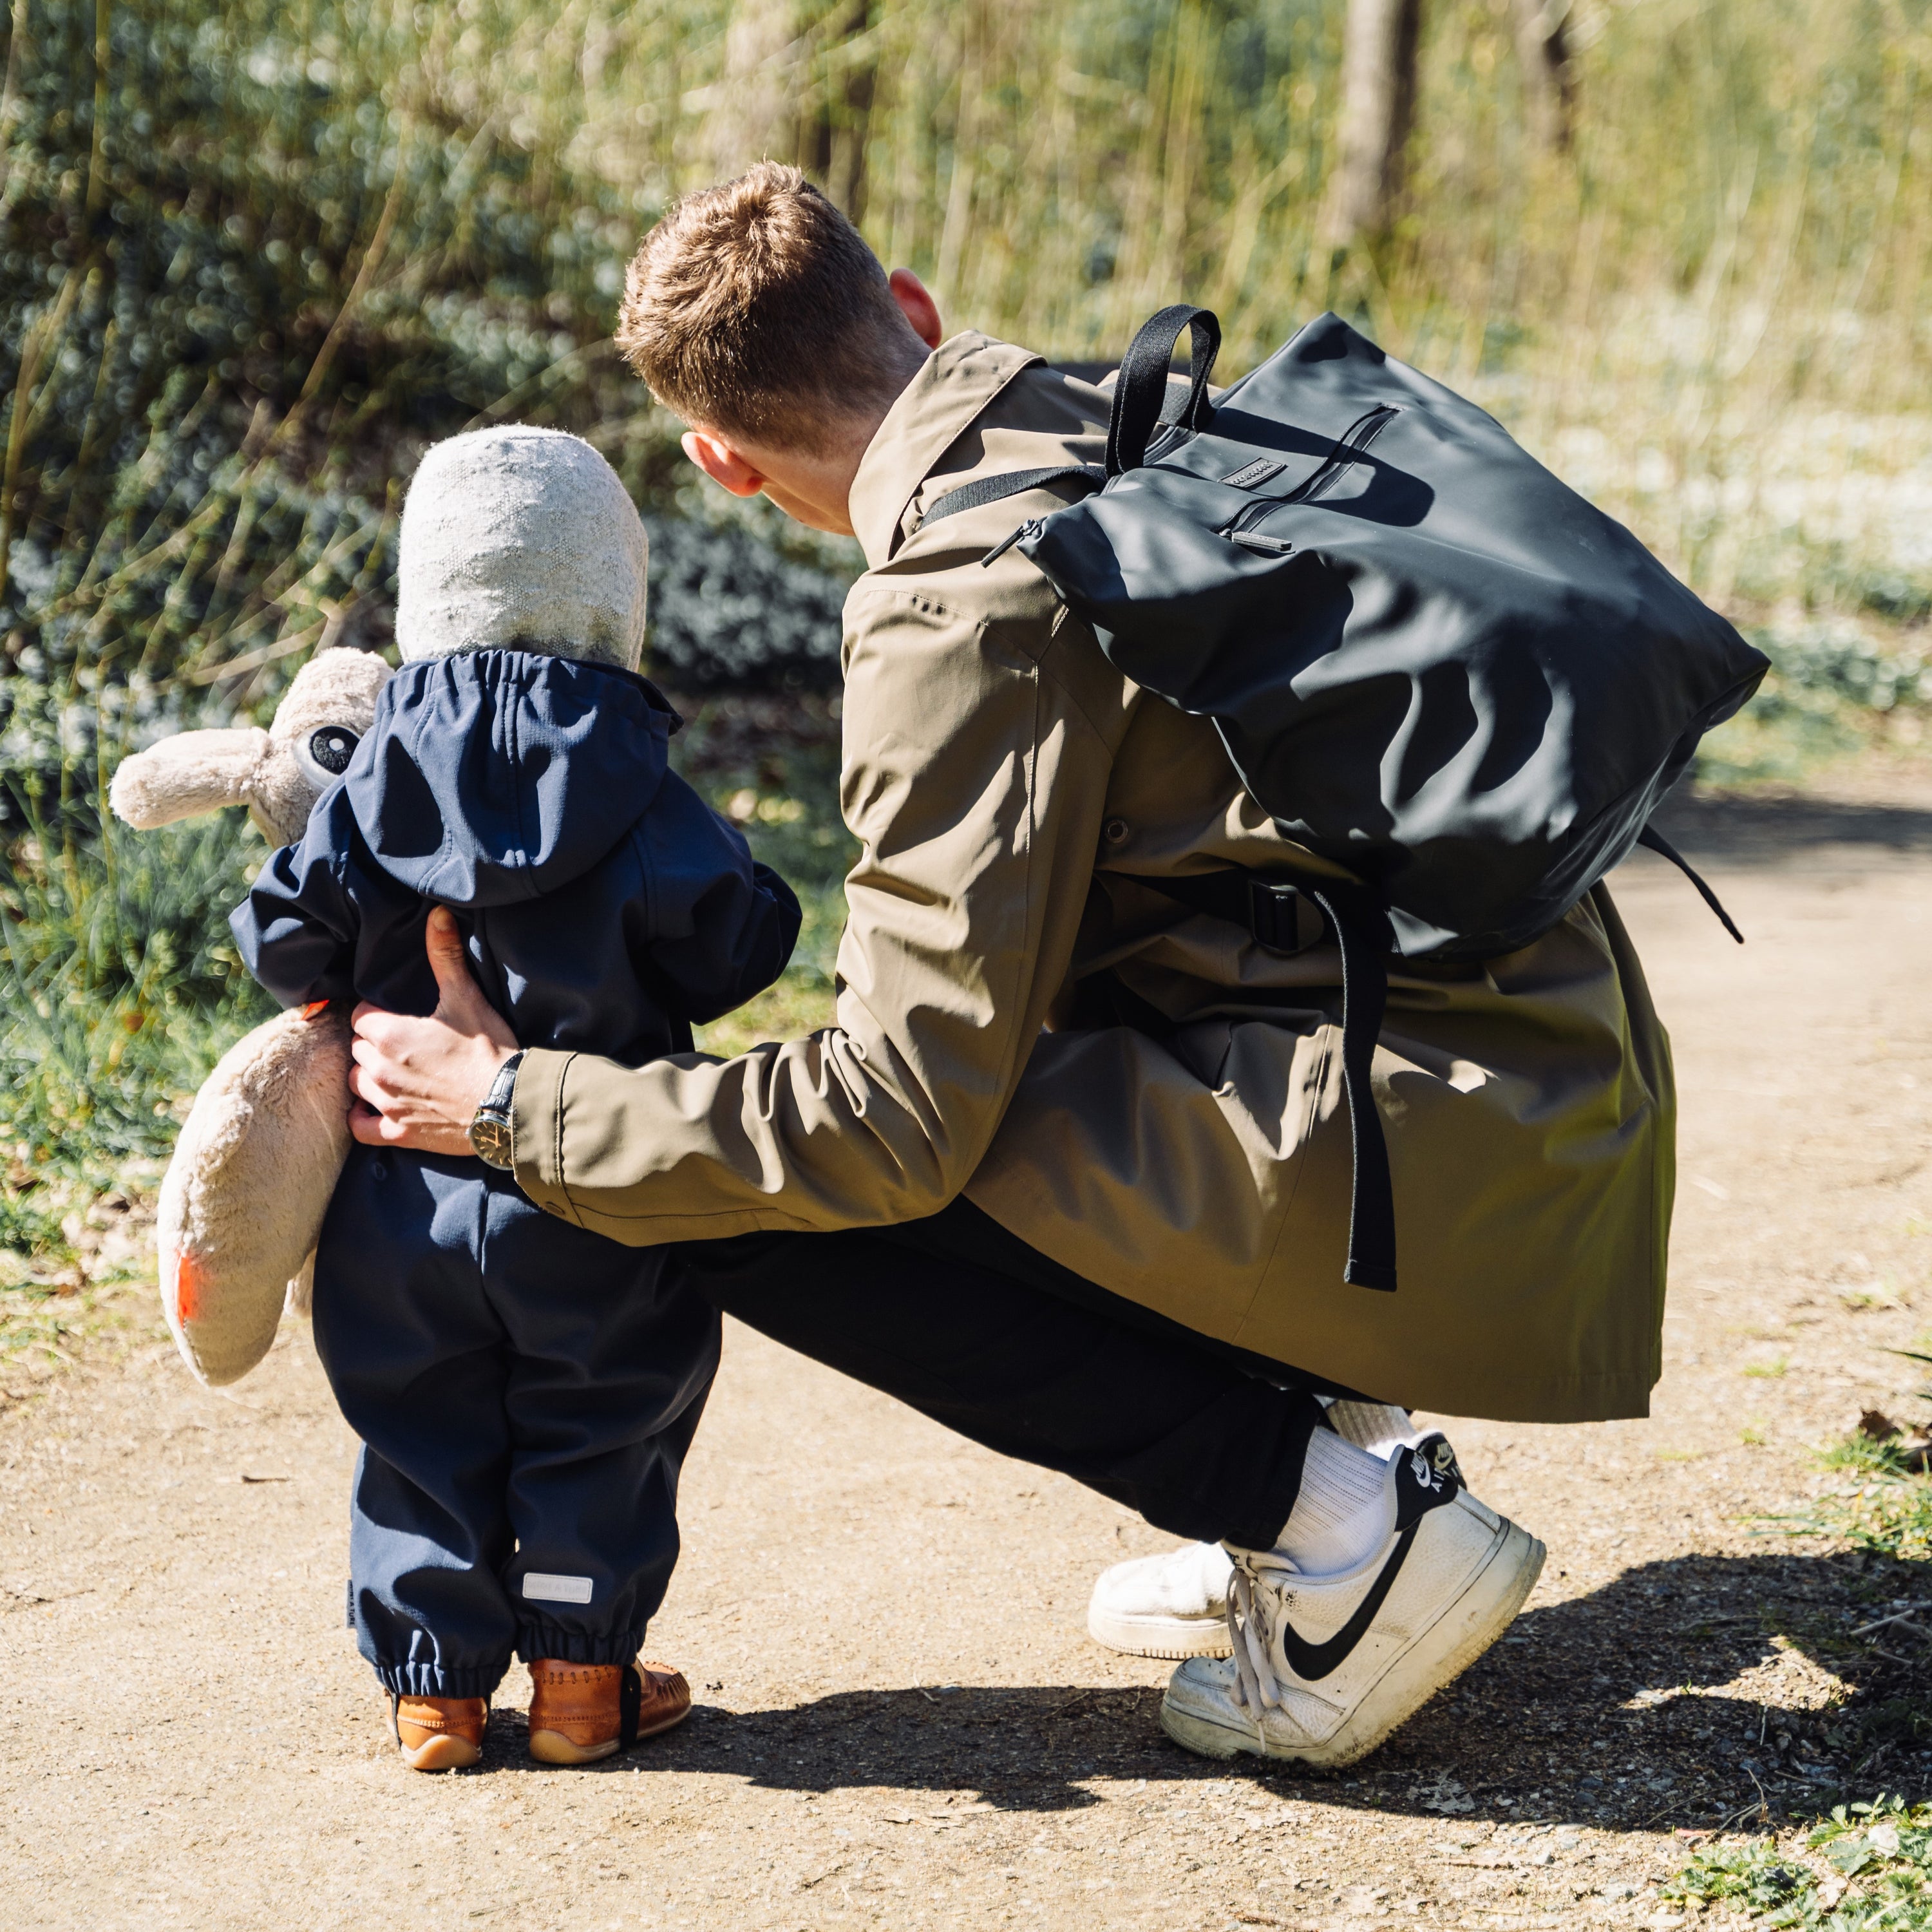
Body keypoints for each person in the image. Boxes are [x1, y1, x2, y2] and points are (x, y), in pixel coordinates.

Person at [342, 166, 1675, 1767]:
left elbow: (893, 1119)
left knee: (747, 1201)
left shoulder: (959, 602)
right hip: (1539, 1103)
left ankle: (1343, 1534)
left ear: (721, 462)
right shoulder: (1154, 424)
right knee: (1005, 1014)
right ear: (910, 308)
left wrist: (517, 1108)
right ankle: (1329, 1455)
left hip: (1444, 1179)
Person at [233, 425, 800, 1770]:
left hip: (397, 1196)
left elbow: (280, 941)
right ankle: (578, 1683)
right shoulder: (636, 777)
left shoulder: (370, 774)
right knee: (606, 1410)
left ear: (427, 597)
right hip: (587, 1175)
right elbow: (741, 943)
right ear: (617, 597)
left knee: (416, 1420)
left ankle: (433, 1691)